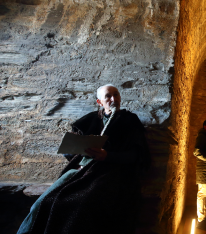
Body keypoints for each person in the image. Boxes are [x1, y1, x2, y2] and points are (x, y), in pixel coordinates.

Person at [17, 84, 150, 234]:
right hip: (80, 170)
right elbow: (70, 154)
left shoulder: (130, 121)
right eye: (108, 96)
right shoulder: (90, 120)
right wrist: (75, 147)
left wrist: (108, 156)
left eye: (116, 94)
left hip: (109, 173)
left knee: (80, 204)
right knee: (41, 203)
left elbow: (137, 155)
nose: (114, 99)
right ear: (100, 102)